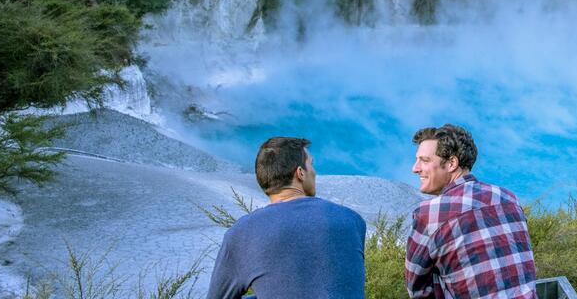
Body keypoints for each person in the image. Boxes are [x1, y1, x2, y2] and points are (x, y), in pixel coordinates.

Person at [207, 137, 366, 299]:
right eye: (311, 164)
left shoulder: (243, 232)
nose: (315, 172)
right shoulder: (352, 220)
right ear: (300, 173)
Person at [405, 124, 538, 298]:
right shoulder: (509, 198)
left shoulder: (429, 214)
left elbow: (418, 290)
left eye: (425, 160)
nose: (415, 168)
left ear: (452, 163)